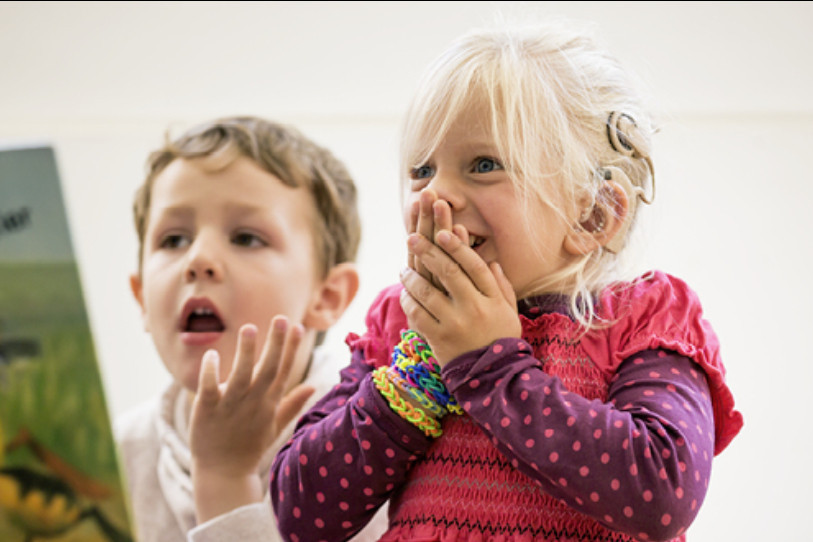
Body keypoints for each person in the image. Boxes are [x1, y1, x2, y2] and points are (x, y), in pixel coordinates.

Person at [270, 19, 744, 542]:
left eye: (484, 164)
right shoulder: (402, 323)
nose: (435, 195)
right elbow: (299, 511)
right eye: (422, 170)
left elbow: (662, 490)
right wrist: (421, 377)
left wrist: (490, 370)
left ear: (592, 215)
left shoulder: (643, 317)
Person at [114, 116, 388, 542]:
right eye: (173, 240)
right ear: (141, 298)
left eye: (245, 238)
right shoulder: (116, 456)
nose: (198, 259)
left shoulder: (375, 441)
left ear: (327, 297)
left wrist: (224, 478)